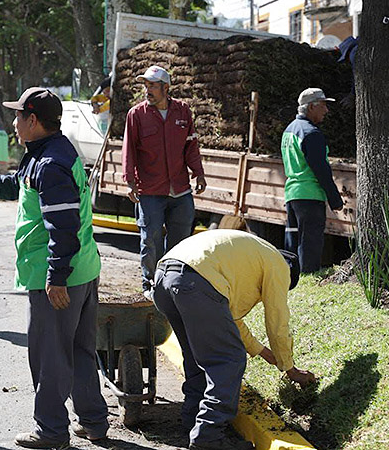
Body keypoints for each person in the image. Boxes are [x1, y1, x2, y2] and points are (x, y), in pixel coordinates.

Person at [0, 87, 108, 449]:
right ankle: (93, 421)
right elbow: (18, 184)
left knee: (49, 356)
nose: (13, 123)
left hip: (59, 277)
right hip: (83, 270)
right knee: (79, 351)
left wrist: (55, 277)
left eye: (18, 116)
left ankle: (51, 430)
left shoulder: (50, 164)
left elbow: (62, 227)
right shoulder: (49, 152)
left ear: (33, 120)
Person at [152, 229, 315, 450]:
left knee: (196, 354)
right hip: (195, 282)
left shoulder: (249, 255)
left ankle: (193, 420)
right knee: (228, 359)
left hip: (164, 277)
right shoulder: (278, 266)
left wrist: (264, 353)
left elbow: (230, 319)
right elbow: (277, 321)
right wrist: (290, 369)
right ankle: (208, 435)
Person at [122, 65, 206, 296]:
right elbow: (129, 150)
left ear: (166, 88)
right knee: (151, 239)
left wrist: (198, 172)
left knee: (182, 240)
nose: (147, 90)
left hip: (179, 189)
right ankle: (151, 284)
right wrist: (129, 181)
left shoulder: (183, 112)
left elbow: (191, 146)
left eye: (152, 86)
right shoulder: (136, 115)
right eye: (146, 85)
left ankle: (176, 282)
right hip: (150, 189)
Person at [280, 88, 344, 273]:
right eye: (323, 105)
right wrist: (335, 200)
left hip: (292, 193)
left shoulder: (289, 130)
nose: (326, 110)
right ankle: (308, 274)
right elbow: (321, 169)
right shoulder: (311, 133)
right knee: (310, 241)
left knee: (293, 239)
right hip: (310, 194)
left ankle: (290, 275)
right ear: (311, 107)